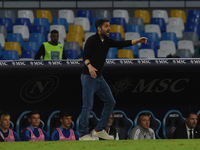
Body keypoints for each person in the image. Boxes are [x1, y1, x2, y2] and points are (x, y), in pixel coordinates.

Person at [79, 18, 148, 140]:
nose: (109, 29)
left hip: (99, 78)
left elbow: (121, 44)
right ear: (99, 28)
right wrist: (89, 66)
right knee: (87, 106)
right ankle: (83, 134)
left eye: (109, 26)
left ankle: (99, 130)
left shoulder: (107, 41)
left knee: (111, 102)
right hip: (88, 77)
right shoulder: (91, 40)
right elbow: (85, 55)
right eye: (106, 26)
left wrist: (138, 40)